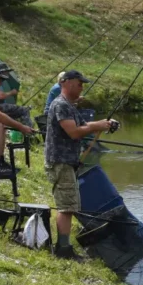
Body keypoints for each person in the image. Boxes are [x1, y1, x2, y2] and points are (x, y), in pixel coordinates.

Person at [45, 69, 118, 260]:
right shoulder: (60, 105)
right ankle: (63, 249)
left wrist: (106, 123)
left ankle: (64, 246)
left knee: (69, 205)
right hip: (60, 161)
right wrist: (98, 126)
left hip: (67, 162)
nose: (82, 87)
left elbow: (84, 125)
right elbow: (75, 132)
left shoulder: (70, 106)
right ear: (68, 83)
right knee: (66, 206)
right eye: (79, 83)